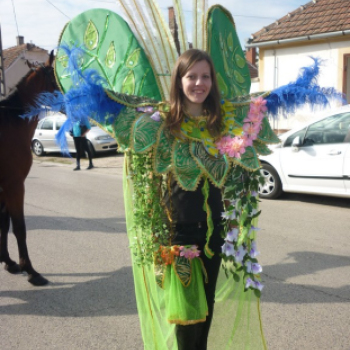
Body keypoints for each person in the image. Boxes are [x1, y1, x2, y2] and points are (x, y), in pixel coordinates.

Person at [164, 49, 225, 350]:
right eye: (192, 76)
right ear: (179, 80)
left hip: (215, 233)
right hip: (182, 234)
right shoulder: (164, 125)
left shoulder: (221, 126)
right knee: (188, 317)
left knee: (207, 310)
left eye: (205, 76)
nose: (199, 83)